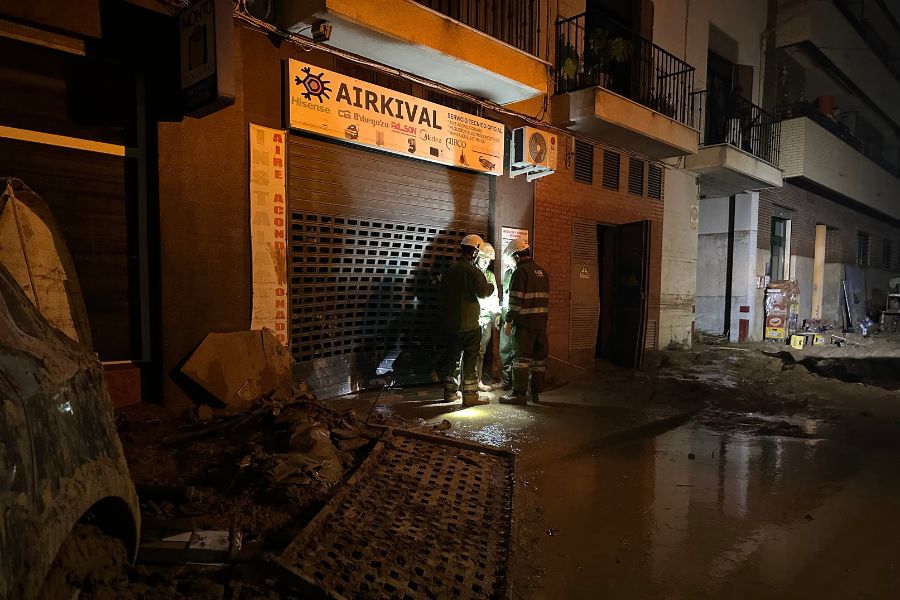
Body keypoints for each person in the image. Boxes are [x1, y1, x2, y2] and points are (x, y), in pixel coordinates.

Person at [438, 234, 495, 406]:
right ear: (475, 252)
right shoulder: (472, 271)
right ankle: (470, 397)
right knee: (470, 359)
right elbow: (484, 291)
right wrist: (491, 286)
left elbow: (443, 296)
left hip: (452, 324)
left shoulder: (449, 271)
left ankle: (450, 393)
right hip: (470, 324)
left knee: (453, 358)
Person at [500, 238, 550, 405]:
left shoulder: (520, 272)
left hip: (525, 326)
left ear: (516, 256)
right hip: (541, 325)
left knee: (520, 360)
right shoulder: (542, 272)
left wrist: (508, 321)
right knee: (538, 362)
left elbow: (515, 302)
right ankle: (535, 394)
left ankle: (519, 395)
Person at [475, 243, 501, 391]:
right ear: (477, 257)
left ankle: (477, 381)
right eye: (484, 258)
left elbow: (495, 296)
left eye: (488, 260)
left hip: (485, 318)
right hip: (473, 318)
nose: (486, 262)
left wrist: (496, 314)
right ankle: (464, 383)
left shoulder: (490, 275)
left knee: (481, 352)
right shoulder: (472, 273)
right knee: (469, 352)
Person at [498, 250, 516, 390]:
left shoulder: (521, 273)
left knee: (517, 351)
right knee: (504, 349)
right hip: (506, 315)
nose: (506, 262)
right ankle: (506, 380)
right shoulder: (508, 274)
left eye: (508, 259)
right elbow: (505, 296)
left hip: (517, 318)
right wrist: (501, 314)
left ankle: (518, 382)